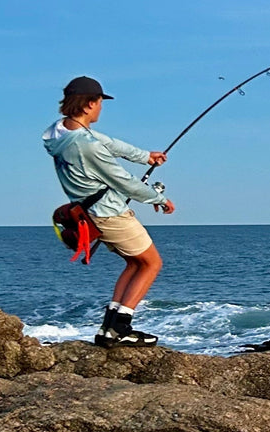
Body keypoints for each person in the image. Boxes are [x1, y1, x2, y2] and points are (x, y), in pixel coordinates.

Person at [43, 75, 176, 347]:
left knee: (134, 262)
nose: (102, 107)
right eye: (100, 102)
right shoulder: (86, 146)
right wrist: (159, 199)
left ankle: (109, 327)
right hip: (110, 213)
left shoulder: (60, 132)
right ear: (90, 104)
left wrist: (145, 156)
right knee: (152, 264)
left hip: (89, 213)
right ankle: (121, 328)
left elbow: (110, 143)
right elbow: (123, 181)